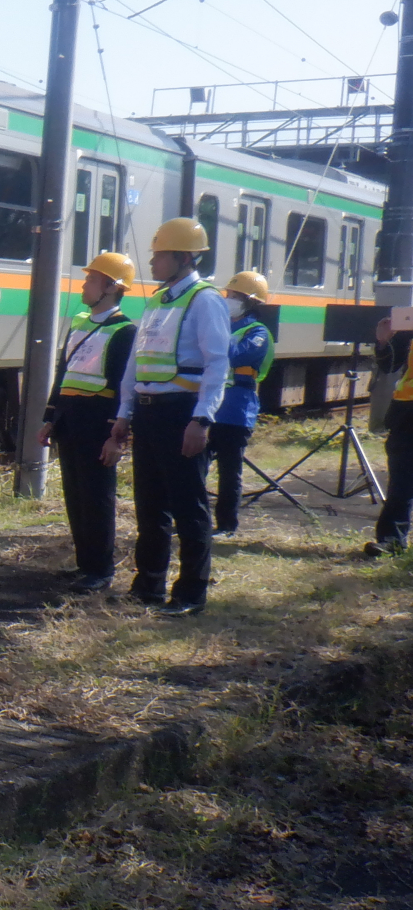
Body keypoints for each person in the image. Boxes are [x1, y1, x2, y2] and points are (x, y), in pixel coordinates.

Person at [100, 217, 231, 616]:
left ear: (183, 257)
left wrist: (202, 420)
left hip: (182, 414)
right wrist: (124, 414)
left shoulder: (205, 300)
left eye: (159, 255)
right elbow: (135, 367)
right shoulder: (157, 301)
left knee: (189, 508)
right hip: (150, 414)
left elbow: (216, 364)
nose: (152, 262)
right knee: (151, 506)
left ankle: (191, 593)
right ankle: (149, 585)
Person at [39, 251, 137, 592]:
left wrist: (117, 433)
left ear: (110, 288)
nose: (84, 285)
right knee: (75, 496)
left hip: (98, 423)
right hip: (70, 420)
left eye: (91, 279)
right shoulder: (80, 323)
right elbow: (63, 373)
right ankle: (85, 565)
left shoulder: (126, 332)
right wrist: (50, 417)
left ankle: (101, 569)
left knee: (97, 498)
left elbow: (123, 385)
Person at [210, 271, 276, 537]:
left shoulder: (257, 332)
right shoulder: (223, 325)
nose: (228, 299)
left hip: (236, 410)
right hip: (210, 407)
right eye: (228, 294)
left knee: (229, 473)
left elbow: (236, 356)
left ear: (250, 302)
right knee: (195, 468)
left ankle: (226, 525)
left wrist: (214, 331)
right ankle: (195, 521)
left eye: (235, 296)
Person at [366, 309, 413, 556]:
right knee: (401, 482)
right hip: (406, 414)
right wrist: (384, 340)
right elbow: (390, 366)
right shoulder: (409, 327)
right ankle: (391, 540)